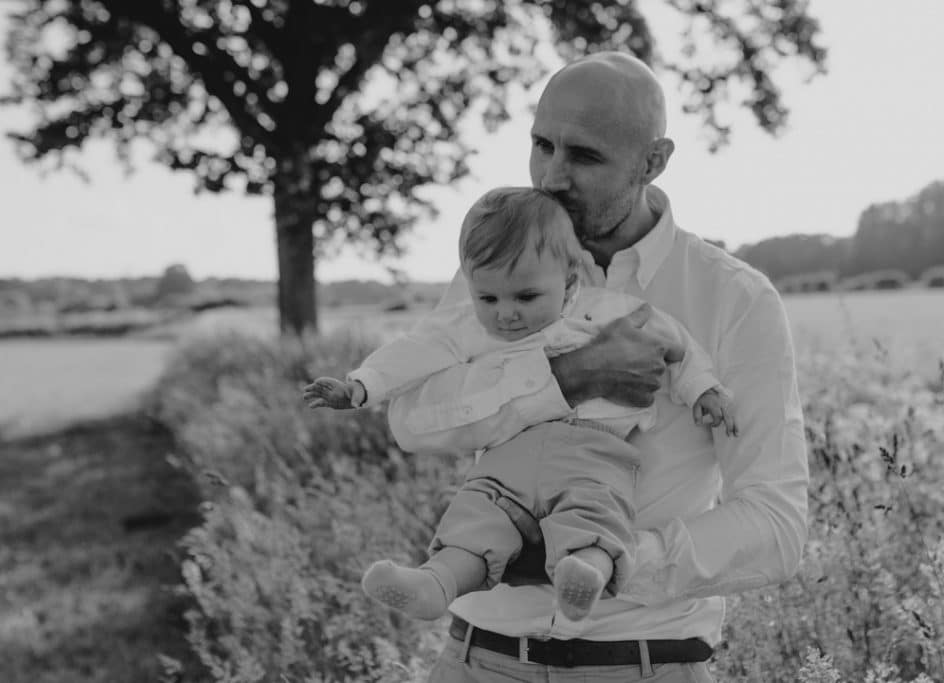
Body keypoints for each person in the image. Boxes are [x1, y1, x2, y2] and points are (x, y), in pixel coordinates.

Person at [384, 52, 808, 681]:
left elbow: (777, 525)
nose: (552, 177)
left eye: (583, 156)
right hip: (476, 658)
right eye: (541, 145)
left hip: (640, 663)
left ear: (654, 161)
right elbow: (412, 421)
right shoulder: (503, 270)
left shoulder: (735, 300)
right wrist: (567, 378)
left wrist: (607, 563)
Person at [303, 186, 737, 623]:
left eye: (526, 298)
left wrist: (703, 388)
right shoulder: (467, 327)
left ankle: (583, 575)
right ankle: (435, 584)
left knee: (594, 517)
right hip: (508, 452)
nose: (505, 314)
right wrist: (360, 386)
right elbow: (414, 352)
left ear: (570, 282)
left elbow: (676, 344)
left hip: (593, 450)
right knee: (478, 517)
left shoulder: (608, 312)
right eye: (487, 298)